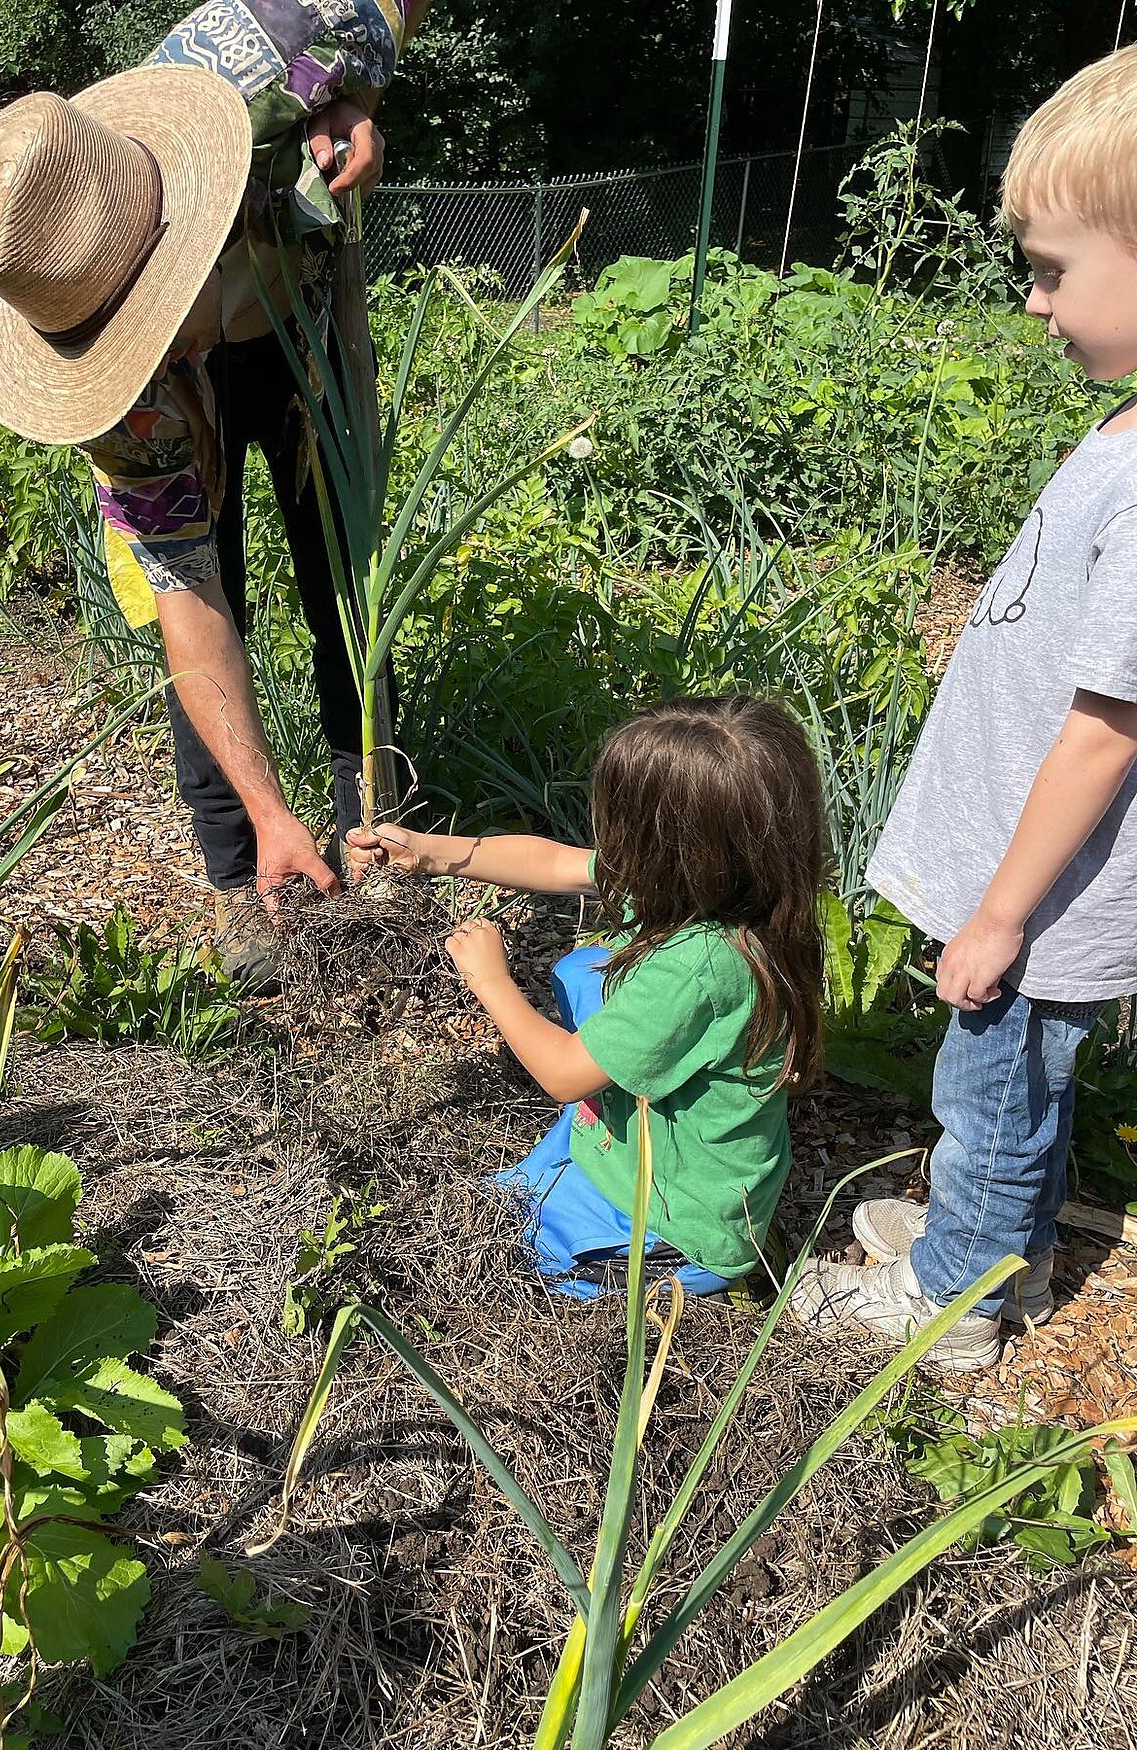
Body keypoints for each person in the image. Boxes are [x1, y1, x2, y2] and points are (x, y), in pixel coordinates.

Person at [0, 3, 428, 990]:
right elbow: (191, 610)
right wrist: (266, 807)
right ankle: (250, 872)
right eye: (132, 338)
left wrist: (358, 111)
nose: (157, 347)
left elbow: (387, 13)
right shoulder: (121, 401)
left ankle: (378, 832)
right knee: (219, 592)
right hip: (200, 387)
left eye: (158, 319)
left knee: (347, 579)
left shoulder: (277, 47)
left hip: (298, 324)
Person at [790, 44, 1137, 1372]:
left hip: (1044, 896)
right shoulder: (1123, 428)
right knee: (1013, 1086)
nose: (1036, 302)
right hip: (1030, 880)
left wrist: (1001, 909)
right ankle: (1013, 1242)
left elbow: (1111, 725)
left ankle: (952, 1304)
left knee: (990, 1088)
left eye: (1055, 270)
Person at [349, 696, 826, 1298]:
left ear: (673, 848)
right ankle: (599, 1156)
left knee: (509, 1249)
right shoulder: (732, 891)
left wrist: (491, 981)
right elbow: (553, 860)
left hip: (676, 1210)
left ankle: (671, 1269)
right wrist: (430, 851)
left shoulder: (700, 967)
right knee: (585, 971)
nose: (610, 844)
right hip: (660, 1147)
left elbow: (565, 1075)